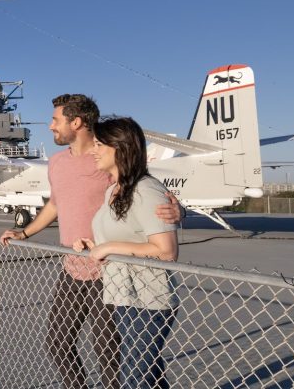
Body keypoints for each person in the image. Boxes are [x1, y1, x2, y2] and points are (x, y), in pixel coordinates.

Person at [0, 94, 181, 389]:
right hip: (73, 266)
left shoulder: (106, 159)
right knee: (58, 342)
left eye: (56, 120)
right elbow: (55, 204)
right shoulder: (57, 162)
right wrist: (26, 232)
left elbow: (144, 191)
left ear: (77, 122)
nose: (50, 126)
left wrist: (177, 209)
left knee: (110, 353)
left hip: (109, 273)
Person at [73, 117, 178, 389]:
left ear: (120, 148)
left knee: (135, 377)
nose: (93, 150)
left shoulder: (147, 190)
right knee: (149, 375)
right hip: (123, 294)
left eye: (99, 144)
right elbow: (125, 234)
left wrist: (109, 248)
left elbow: (166, 251)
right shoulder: (113, 189)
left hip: (149, 300)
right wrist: (93, 245)